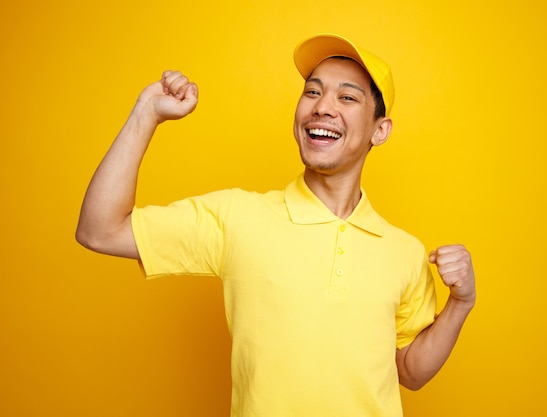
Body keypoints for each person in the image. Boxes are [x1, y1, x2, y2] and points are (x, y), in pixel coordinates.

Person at [76, 33, 476, 417]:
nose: (322, 107)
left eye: (347, 97)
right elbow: (100, 230)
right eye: (312, 91)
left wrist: (460, 304)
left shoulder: (404, 252)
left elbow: (410, 371)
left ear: (380, 129)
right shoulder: (238, 217)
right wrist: (146, 113)